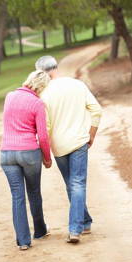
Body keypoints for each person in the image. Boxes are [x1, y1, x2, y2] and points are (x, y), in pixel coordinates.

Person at [35, 56, 102, 243]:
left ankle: (77, 227)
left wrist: (45, 153)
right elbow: (96, 110)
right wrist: (92, 133)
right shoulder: (77, 85)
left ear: (41, 72)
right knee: (77, 184)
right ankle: (82, 223)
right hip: (79, 142)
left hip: (59, 146)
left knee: (71, 184)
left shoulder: (43, 94)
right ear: (56, 67)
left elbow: (45, 127)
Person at [0, 70, 52, 250]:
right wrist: (47, 158)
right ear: (42, 86)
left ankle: (23, 241)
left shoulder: (10, 96)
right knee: (34, 192)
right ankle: (39, 231)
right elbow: (43, 137)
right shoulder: (38, 103)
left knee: (17, 196)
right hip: (29, 152)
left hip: (7, 153)